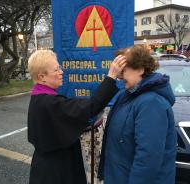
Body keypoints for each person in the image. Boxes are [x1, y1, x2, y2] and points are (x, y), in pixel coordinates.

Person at [27, 49, 126, 184]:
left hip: (46, 166)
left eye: (60, 68)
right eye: (56, 70)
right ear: (41, 77)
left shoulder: (38, 97)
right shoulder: (50, 103)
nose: (61, 72)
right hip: (57, 172)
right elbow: (92, 106)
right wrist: (111, 76)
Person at [98, 45, 177, 184]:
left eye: (124, 69)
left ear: (140, 69)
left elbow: (148, 158)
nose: (120, 75)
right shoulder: (127, 95)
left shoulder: (151, 103)